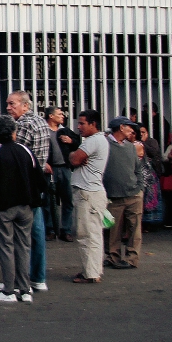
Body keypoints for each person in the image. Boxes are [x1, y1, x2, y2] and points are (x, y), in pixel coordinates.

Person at [0, 115, 40, 303]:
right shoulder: (26, 151)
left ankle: (9, 289)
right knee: (24, 246)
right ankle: (24, 288)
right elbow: (38, 177)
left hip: (2, 207)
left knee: (6, 247)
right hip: (25, 206)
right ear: (14, 132)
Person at [7, 90, 51, 292]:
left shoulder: (24, 125)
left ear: (25, 105)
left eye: (12, 104)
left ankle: (21, 281)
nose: (8, 107)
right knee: (37, 231)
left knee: (21, 235)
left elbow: (17, 154)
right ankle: (38, 277)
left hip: (23, 184)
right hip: (37, 181)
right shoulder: (41, 122)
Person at [69, 109, 109, 284]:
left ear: (93, 124)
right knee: (93, 234)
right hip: (91, 192)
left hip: (88, 193)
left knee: (87, 234)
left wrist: (73, 155)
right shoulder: (97, 141)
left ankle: (91, 273)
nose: (79, 127)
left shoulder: (93, 141)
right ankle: (93, 270)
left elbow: (74, 159)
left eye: (82, 123)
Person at [103, 116, 145, 270]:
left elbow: (138, 169)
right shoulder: (105, 144)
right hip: (113, 195)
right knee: (112, 229)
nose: (132, 130)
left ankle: (131, 258)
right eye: (129, 127)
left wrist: (139, 187)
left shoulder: (130, 147)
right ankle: (112, 256)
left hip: (133, 194)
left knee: (135, 228)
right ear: (121, 127)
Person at [44, 106, 79, 242]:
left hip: (64, 168)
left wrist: (71, 141)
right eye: (59, 114)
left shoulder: (64, 131)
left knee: (67, 200)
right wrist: (44, 163)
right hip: (50, 169)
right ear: (51, 116)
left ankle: (66, 230)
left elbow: (77, 143)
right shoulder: (44, 131)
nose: (62, 116)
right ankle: (51, 229)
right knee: (48, 201)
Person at [136, 122, 165, 230]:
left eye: (144, 132)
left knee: (151, 199)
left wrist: (142, 143)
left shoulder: (151, 142)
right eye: (140, 133)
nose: (142, 134)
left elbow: (153, 152)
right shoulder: (133, 144)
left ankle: (151, 223)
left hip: (151, 176)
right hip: (140, 176)